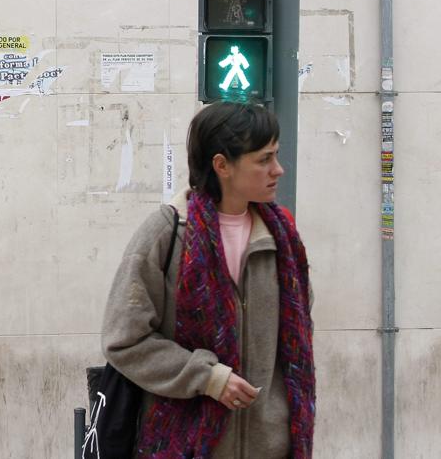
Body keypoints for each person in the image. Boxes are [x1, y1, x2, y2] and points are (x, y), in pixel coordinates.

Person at [101, 101, 315, 457]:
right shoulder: (167, 235)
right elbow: (125, 339)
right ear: (222, 165)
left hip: (270, 447)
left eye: (275, 156)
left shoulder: (282, 240)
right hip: (185, 444)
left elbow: (299, 337)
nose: (278, 169)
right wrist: (208, 378)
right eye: (264, 159)